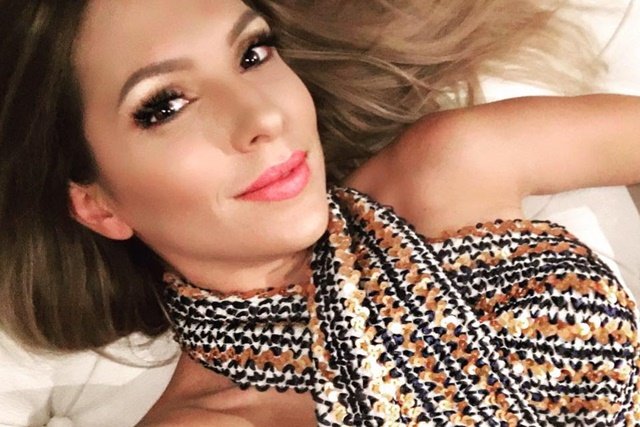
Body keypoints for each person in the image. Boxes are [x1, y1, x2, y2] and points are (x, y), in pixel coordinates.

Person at [0, 0, 638, 426]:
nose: (263, 116)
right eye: (165, 105)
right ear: (98, 205)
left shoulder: (449, 163)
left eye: (252, 54)